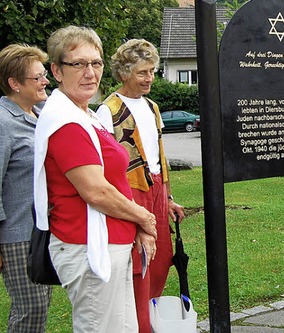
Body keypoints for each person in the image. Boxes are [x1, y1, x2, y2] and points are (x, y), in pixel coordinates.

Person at [33, 25, 158, 332]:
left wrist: (137, 226)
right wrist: (145, 217)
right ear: (57, 71)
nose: (90, 73)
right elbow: (96, 191)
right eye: (78, 64)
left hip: (112, 242)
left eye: (96, 63)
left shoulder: (84, 115)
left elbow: (116, 181)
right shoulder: (65, 122)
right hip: (88, 249)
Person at [96, 38, 185, 333]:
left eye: (152, 72)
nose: (149, 78)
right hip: (130, 192)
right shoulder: (107, 111)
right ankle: (136, 325)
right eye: (142, 73)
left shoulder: (152, 106)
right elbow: (106, 167)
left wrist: (169, 198)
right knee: (137, 264)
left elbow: (160, 155)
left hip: (157, 190)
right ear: (124, 73)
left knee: (160, 260)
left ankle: (149, 319)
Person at [0, 44, 52, 332]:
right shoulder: (3, 122)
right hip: (17, 235)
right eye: (38, 77)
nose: (45, 81)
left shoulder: (42, 112)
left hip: (43, 229)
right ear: (14, 83)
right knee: (29, 310)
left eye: (45, 74)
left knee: (40, 306)